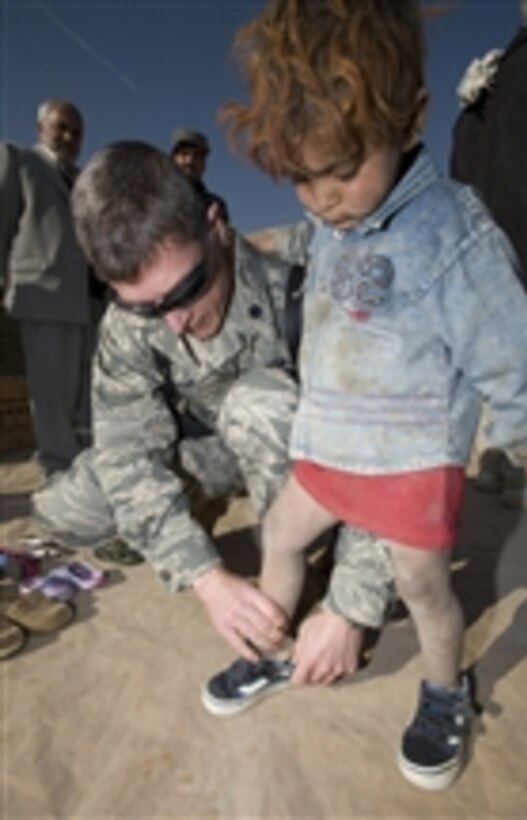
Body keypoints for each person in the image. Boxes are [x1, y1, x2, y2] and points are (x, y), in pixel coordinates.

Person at [202, 0, 527, 791]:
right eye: (302, 175)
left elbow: (511, 347)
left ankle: (445, 692)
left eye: (341, 169)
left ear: (410, 123)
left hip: (408, 459)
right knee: (281, 539)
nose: (323, 196)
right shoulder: (328, 226)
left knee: (424, 591)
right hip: (327, 447)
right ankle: (266, 650)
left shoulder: (451, 232)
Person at [32, 139, 397, 684]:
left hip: (319, 452)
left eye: (186, 290)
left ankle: (314, 567)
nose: (174, 323)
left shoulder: (318, 268)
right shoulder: (132, 325)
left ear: (216, 225)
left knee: (258, 405)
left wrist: (354, 603)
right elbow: (127, 456)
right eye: (145, 307)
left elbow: (401, 440)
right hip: (211, 450)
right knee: (73, 507)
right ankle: (200, 509)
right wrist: (202, 574)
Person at [450, 0, 527, 515]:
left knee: (508, 371)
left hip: (493, 266)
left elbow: (459, 177)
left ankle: (498, 469)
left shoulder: (482, 86)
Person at [0, 98, 97, 477]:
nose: (70, 136)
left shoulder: (87, 180)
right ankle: (59, 482)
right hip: (43, 297)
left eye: (77, 131)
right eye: (62, 127)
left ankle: (87, 481)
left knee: (87, 400)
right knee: (52, 401)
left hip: (88, 304)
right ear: (42, 128)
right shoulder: (18, 160)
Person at [170, 128, 230, 223]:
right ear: (173, 160)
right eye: (184, 154)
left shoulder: (214, 205)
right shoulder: (154, 197)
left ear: (203, 166)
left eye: (196, 156)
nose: (190, 161)